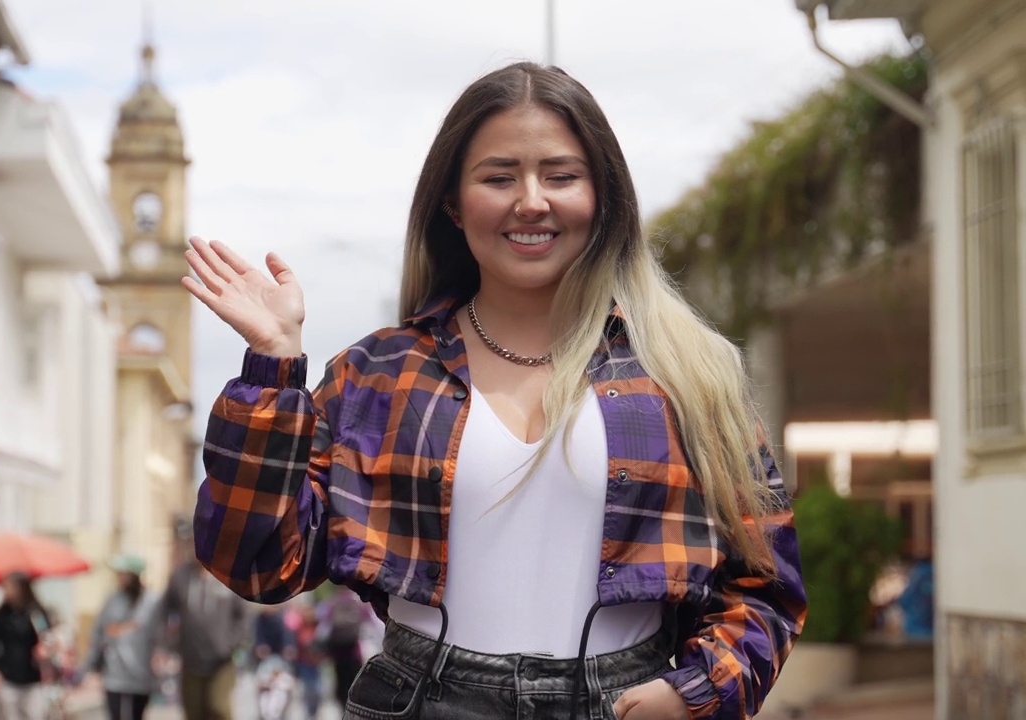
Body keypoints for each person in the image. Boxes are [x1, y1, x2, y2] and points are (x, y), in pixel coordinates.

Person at [184, 61, 806, 720]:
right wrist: (273, 367)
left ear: (603, 198)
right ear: (454, 202)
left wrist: (696, 692)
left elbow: (767, 588)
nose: (532, 200)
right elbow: (254, 564)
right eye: (499, 176)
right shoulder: (377, 375)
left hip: (623, 703)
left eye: (562, 176)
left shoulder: (686, 374)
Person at [79, 554, 168, 720]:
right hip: (114, 673)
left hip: (141, 673)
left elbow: (161, 634)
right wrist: (91, 664)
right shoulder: (113, 599)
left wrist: (161, 659)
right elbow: (99, 632)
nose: (119, 578)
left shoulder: (152, 601)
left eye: (123, 573)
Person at [164, 556, 251, 720]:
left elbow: (244, 616)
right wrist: (169, 643)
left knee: (218, 707)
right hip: (191, 658)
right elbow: (166, 610)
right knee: (194, 711)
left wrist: (234, 642)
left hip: (221, 660)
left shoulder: (228, 575)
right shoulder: (181, 575)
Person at [0, 572, 50, 720]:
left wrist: (44, 650)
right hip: (8, 677)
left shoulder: (35, 613)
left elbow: (45, 637)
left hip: (32, 677)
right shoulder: (1, 615)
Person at [317, 586, 369, 710]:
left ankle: (343, 709)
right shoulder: (358, 603)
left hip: (337, 653)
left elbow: (323, 627)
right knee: (356, 682)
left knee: (341, 683)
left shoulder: (331, 603)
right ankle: (356, 709)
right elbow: (371, 622)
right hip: (355, 652)